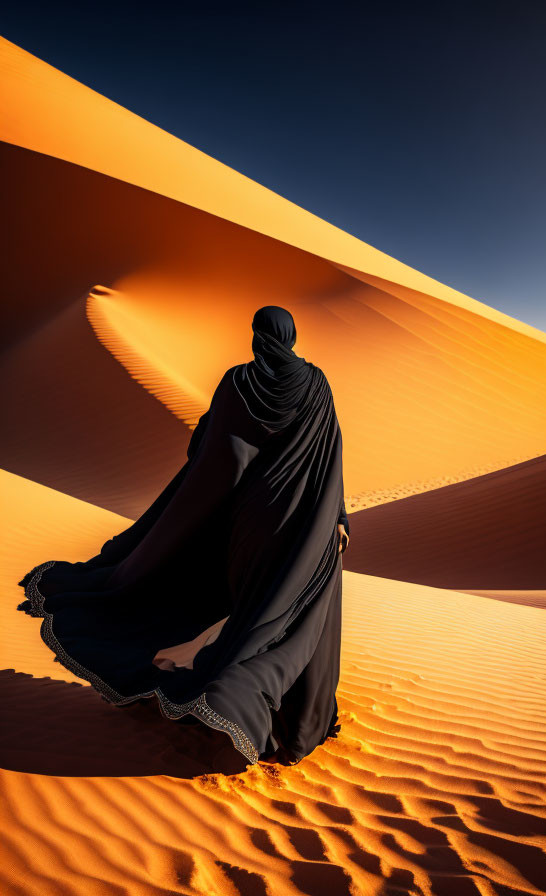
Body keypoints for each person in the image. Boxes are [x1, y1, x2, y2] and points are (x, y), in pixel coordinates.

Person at [17, 305, 350, 769]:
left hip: (248, 523)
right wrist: (339, 518)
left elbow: (213, 452)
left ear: (257, 334)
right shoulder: (316, 385)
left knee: (252, 615)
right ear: (292, 335)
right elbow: (329, 456)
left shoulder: (239, 381)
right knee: (290, 615)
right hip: (303, 526)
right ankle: (279, 720)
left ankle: (233, 702)